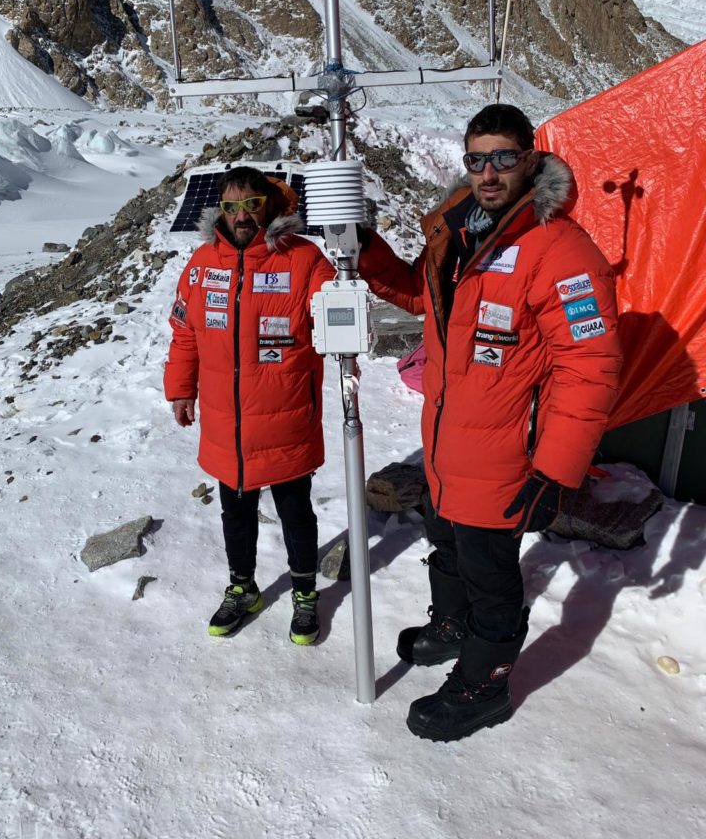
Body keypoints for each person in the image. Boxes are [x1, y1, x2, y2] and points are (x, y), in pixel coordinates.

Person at [357, 104, 622, 741]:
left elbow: (591, 365)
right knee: (445, 539)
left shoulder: (560, 249)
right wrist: (367, 253)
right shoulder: (461, 234)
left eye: (504, 158)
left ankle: (486, 680)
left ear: (531, 159)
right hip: (446, 447)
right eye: (477, 160)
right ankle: (452, 627)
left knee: (489, 567)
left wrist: (557, 467)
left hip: (505, 454)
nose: (489, 173)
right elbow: (424, 297)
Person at [164, 166, 335, 645]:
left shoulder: (304, 260)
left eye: (252, 205)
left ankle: (304, 591)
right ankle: (243, 586)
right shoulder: (201, 264)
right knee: (234, 510)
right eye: (231, 206)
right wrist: (181, 389)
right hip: (226, 421)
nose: (241, 216)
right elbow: (185, 332)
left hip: (286, 417)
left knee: (295, 510)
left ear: (271, 205)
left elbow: (336, 318)